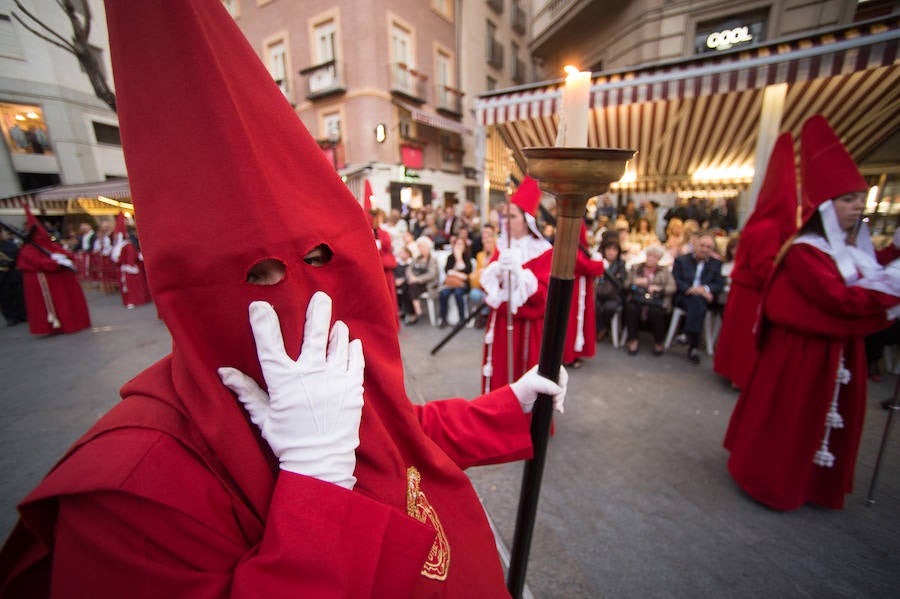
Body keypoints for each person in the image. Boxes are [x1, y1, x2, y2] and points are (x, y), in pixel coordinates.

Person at [0, 2, 568, 596]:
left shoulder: (321, 360)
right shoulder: (129, 488)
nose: (303, 291)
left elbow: (397, 434)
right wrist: (316, 486)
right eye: (257, 274)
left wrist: (510, 407)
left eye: (322, 259)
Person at [723, 115, 900, 511]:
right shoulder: (804, 250)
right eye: (848, 199)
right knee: (792, 420)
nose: (857, 207)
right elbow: (840, 298)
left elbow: (858, 277)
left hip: (830, 350)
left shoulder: (837, 249)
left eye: (860, 199)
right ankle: (773, 481)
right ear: (825, 206)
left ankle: (813, 485)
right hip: (802, 353)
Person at [714, 133, 798, 390]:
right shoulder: (768, 229)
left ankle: (735, 372)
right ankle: (741, 376)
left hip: (745, 291)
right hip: (752, 293)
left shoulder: (761, 224)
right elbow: (764, 268)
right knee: (745, 339)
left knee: (739, 337)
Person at [480, 177, 553, 392]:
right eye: (505, 216)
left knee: (524, 379)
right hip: (501, 323)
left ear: (527, 219)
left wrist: (521, 275)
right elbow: (490, 289)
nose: (505, 221)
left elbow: (543, 295)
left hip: (527, 328)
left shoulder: (543, 251)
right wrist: (497, 272)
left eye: (512, 216)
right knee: (501, 377)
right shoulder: (502, 246)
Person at [15, 206, 90, 336]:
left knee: (65, 302)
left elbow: (66, 254)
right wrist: (54, 262)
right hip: (46, 281)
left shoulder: (49, 245)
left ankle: (72, 322)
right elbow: (36, 263)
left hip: (61, 279)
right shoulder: (28, 249)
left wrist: (63, 258)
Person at [672, 233, 724, 364]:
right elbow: (676, 279)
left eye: (708, 247)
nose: (704, 249)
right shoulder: (682, 260)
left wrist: (705, 289)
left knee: (698, 300)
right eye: (702, 245)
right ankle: (692, 345)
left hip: (703, 299)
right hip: (684, 296)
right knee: (697, 300)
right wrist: (692, 289)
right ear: (695, 245)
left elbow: (719, 284)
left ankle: (687, 335)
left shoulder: (716, 264)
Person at [563, 224, 605, 369]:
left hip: (577, 289)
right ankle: (569, 355)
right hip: (573, 290)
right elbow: (585, 266)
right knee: (571, 323)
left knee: (573, 323)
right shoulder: (570, 248)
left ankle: (572, 353)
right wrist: (599, 263)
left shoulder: (571, 246)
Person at [623, 245, 675, 356]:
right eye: (650, 256)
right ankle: (633, 340)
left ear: (659, 259)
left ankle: (658, 342)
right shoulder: (636, 267)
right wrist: (635, 283)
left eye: (655, 257)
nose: (651, 258)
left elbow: (672, 287)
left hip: (655, 301)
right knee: (631, 309)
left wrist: (659, 289)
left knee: (657, 312)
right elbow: (625, 284)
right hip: (637, 298)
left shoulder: (664, 271)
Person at [111, 212, 152, 309]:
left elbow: (130, 258)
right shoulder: (122, 245)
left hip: (130, 268)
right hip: (126, 268)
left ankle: (135, 300)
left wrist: (125, 263)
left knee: (133, 287)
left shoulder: (128, 245)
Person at [402, 236, 440, 325]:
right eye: (419, 247)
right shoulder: (417, 258)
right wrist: (411, 276)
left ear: (428, 247)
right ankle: (413, 311)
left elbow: (431, 274)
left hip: (427, 284)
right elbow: (409, 269)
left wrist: (417, 279)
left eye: (423, 247)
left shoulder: (432, 260)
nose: (421, 249)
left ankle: (415, 312)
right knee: (407, 288)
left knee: (411, 287)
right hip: (415, 283)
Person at [594, 239, 626, 342]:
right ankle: (600, 328)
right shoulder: (599, 261)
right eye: (608, 249)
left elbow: (621, 282)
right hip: (598, 293)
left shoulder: (621, 264)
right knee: (595, 305)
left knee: (609, 307)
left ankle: (604, 329)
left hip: (613, 296)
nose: (611, 252)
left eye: (614, 249)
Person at [437, 237, 472, 328]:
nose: (459, 246)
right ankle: (443, 318)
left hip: (462, 285)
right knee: (443, 294)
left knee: (458, 293)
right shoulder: (450, 258)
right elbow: (447, 271)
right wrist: (458, 274)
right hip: (451, 284)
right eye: (457, 244)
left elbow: (466, 274)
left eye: (461, 244)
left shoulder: (467, 258)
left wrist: (459, 258)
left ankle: (462, 318)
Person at [468, 224, 497, 328]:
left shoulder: (496, 255)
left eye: (489, 243)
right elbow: (477, 271)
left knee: (487, 296)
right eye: (486, 243)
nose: (487, 245)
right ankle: (484, 314)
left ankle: (484, 315)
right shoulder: (480, 255)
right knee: (474, 294)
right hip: (480, 283)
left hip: (491, 285)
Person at [0, 228, 27, 326]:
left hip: (13, 275)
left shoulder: (9, 245)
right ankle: (11, 317)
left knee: (19, 296)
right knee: (5, 298)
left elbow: (11, 259)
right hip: (2, 278)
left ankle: (22, 315)